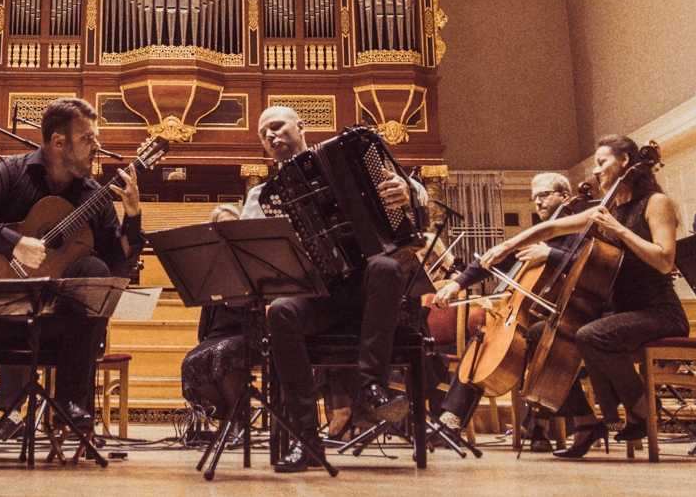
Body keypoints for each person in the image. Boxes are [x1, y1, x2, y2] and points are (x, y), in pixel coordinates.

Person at [0, 97, 143, 464]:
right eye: (88, 138)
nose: (97, 146)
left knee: (94, 272)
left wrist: (133, 215)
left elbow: (115, 265)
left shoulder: (93, 195)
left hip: (58, 320)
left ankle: (70, 403)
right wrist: (15, 243)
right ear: (58, 142)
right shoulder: (11, 172)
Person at [242, 106, 426, 472]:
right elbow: (254, 252)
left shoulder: (353, 161)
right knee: (282, 311)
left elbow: (416, 202)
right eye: (263, 134)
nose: (270, 136)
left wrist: (407, 192)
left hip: (371, 292)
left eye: (276, 126)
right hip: (319, 298)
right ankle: (307, 439)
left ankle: (371, 388)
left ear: (301, 127)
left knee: (386, 266)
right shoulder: (262, 197)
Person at [499, 135, 688, 457]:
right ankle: (586, 422)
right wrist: (506, 246)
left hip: (659, 312)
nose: (596, 170)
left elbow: (665, 260)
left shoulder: (656, 203)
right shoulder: (608, 207)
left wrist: (620, 229)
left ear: (625, 161)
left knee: (591, 335)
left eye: (602, 162)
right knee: (539, 333)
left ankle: (644, 410)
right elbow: (551, 229)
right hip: (623, 314)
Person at [430, 172, 592, 451]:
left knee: (539, 342)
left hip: (575, 317)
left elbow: (589, 267)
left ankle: (538, 426)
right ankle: (452, 420)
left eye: (544, 195)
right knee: (481, 342)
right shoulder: (539, 239)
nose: (537, 202)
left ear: (565, 197)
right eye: (534, 198)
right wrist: (457, 284)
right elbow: (491, 260)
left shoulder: (583, 232)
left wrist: (551, 256)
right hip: (531, 318)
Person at [180, 203, 252, 419]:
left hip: (248, 332)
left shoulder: (251, 257)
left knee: (222, 354)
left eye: (232, 226)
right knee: (190, 363)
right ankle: (230, 414)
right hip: (218, 333)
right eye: (221, 227)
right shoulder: (211, 262)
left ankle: (237, 417)